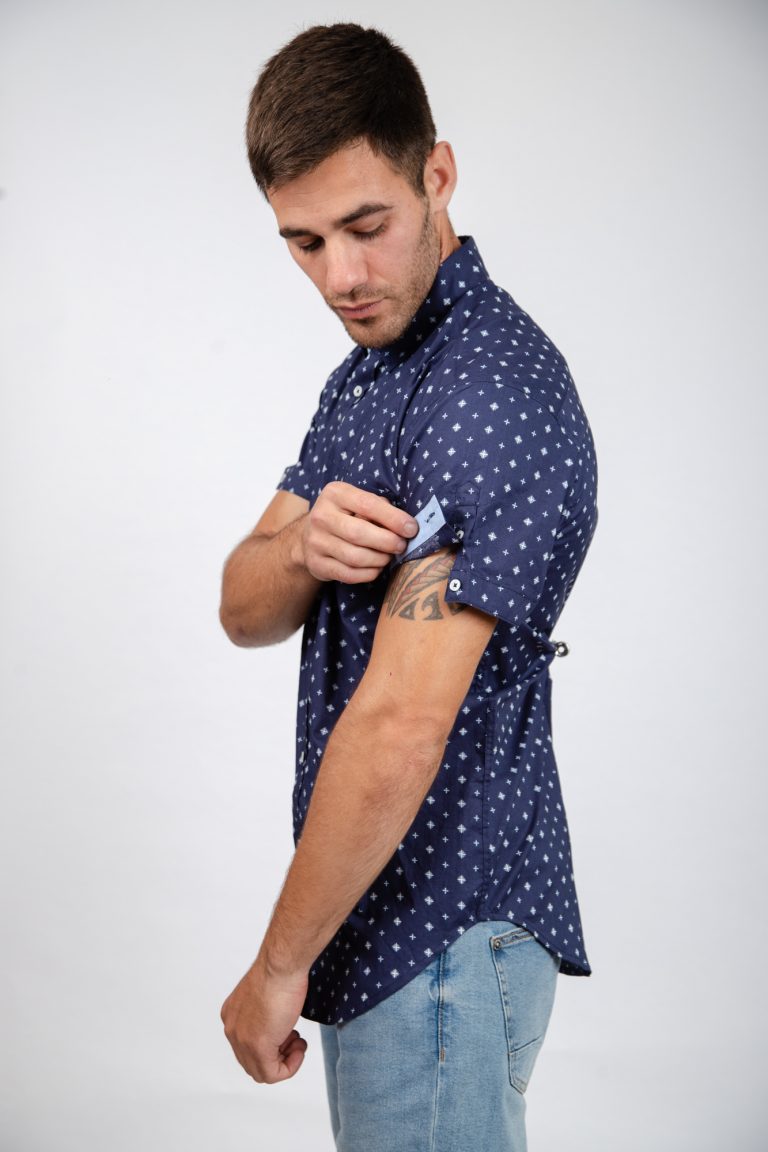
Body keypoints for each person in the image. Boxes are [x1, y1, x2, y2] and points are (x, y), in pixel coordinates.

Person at [219, 23, 598, 1152]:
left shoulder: (489, 391)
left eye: (366, 226)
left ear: (437, 172)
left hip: (445, 934)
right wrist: (302, 549)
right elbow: (241, 606)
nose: (339, 276)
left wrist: (275, 967)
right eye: (304, 242)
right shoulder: (371, 371)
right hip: (382, 921)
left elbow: (400, 723)